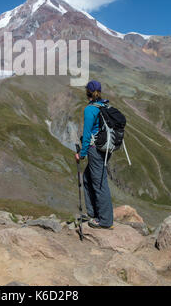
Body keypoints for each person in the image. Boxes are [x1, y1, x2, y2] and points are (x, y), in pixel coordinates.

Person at [75, 80, 114, 229]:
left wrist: (81, 154)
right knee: (87, 178)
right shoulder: (104, 105)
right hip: (105, 148)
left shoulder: (90, 109)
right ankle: (93, 213)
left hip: (95, 149)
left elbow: (86, 135)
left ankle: (105, 221)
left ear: (87, 92)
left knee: (99, 183)